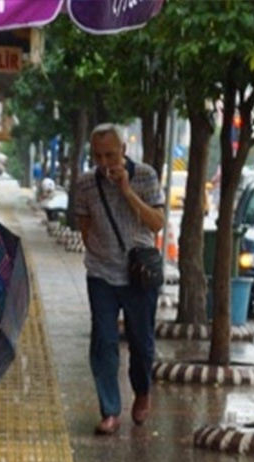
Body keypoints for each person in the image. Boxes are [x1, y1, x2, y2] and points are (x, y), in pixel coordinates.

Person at [71, 123, 165, 435]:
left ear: (123, 150)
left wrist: (127, 191)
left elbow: (156, 224)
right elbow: (85, 227)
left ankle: (142, 391)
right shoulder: (85, 184)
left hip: (139, 274)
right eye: (97, 155)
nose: (104, 162)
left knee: (141, 342)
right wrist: (100, 255)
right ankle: (110, 409)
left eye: (110, 154)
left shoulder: (146, 176)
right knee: (104, 342)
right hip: (101, 274)